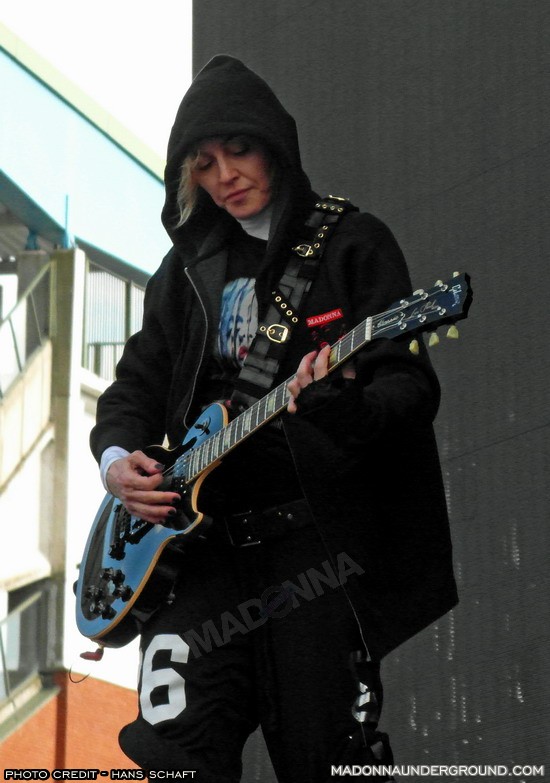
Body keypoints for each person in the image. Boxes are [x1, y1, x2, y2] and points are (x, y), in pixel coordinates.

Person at [90, 55, 458, 782]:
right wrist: (116, 461)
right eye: (203, 163)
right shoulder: (185, 271)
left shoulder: (353, 244)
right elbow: (135, 386)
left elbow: (408, 389)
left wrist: (340, 404)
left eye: (239, 150)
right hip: (199, 552)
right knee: (172, 756)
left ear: (274, 145)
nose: (225, 174)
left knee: (327, 759)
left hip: (313, 552)